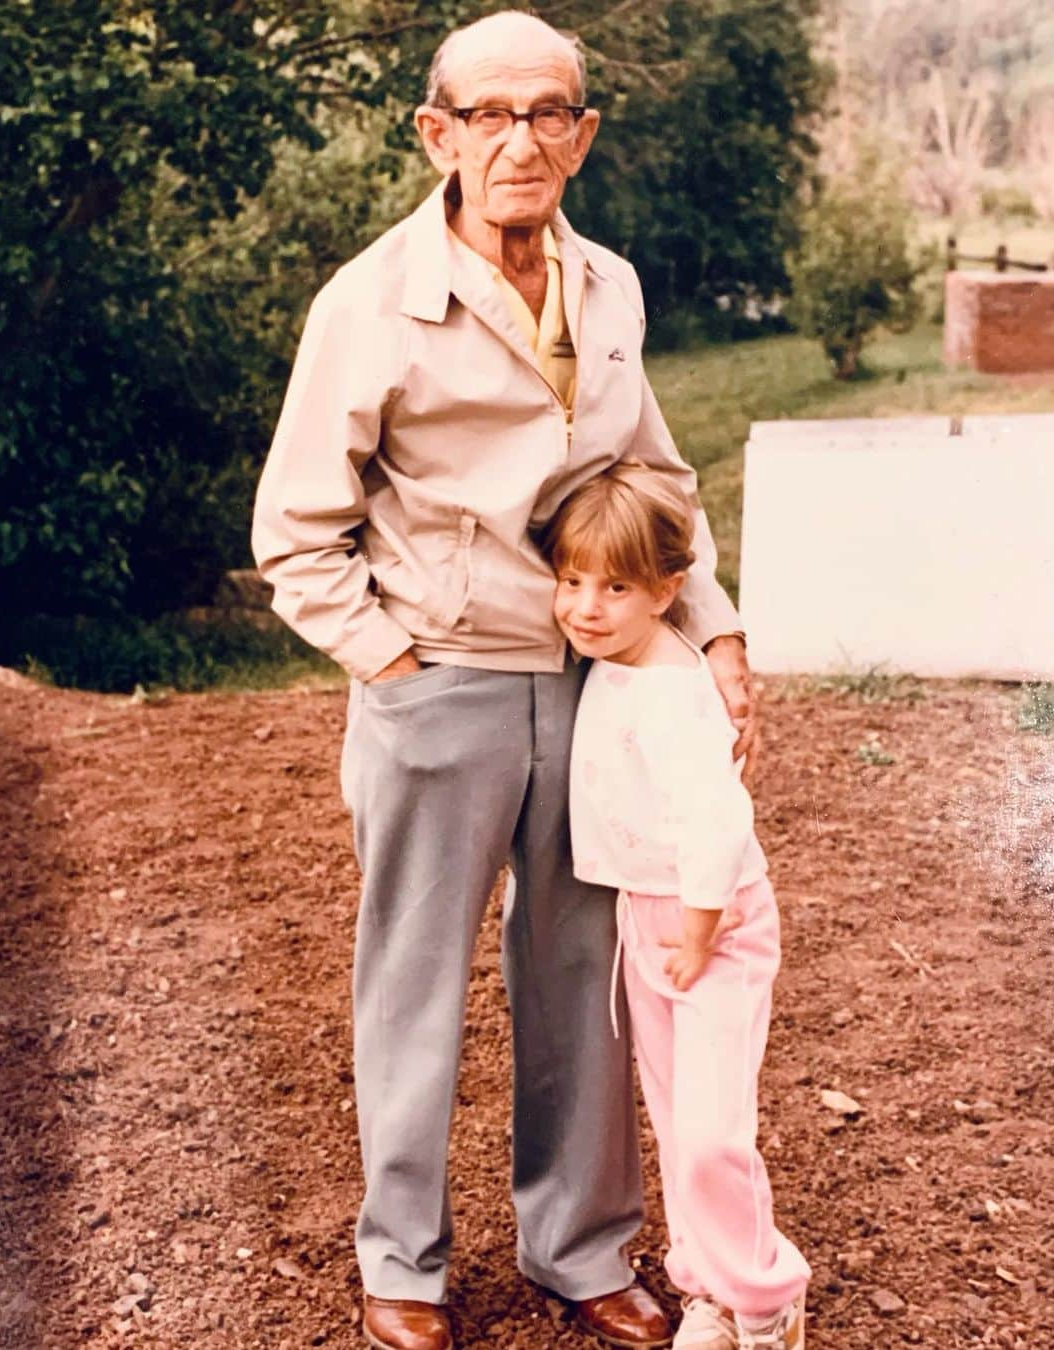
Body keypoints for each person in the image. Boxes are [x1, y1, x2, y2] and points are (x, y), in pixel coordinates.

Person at [251, 11, 758, 1349]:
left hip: (597, 692)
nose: (519, 139)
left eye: (548, 113)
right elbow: (296, 530)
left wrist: (711, 625)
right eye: (487, 114)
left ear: (582, 135)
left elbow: (653, 483)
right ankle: (401, 1267)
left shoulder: (611, 287)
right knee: (411, 981)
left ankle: (581, 1249)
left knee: (586, 973)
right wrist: (394, 662)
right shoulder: (367, 303)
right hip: (440, 687)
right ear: (437, 133)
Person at [542, 464, 810, 1350]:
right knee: (676, 1120)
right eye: (571, 581)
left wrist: (697, 932)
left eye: (615, 586)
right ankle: (710, 1287)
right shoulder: (616, 664)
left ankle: (767, 1299)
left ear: (666, 591)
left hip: (712, 927)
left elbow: (718, 814)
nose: (586, 605)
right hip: (648, 920)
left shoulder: (668, 686)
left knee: (710, 1133)